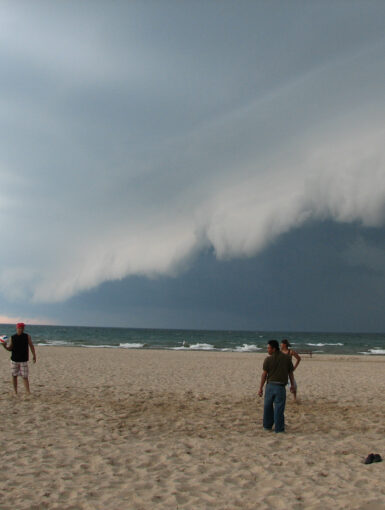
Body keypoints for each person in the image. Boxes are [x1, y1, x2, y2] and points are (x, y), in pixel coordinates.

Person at [258, 339, 294, 433]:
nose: (268, 350)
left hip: (270, 386)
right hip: (280, 387)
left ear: (274, 349)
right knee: (279, 408)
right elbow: (291, 373)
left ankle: (267, 426)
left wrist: (261, 388)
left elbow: (264, 375)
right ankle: (279, 429)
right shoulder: (287, 358)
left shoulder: (268, 359)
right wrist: (292, 385)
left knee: (268, 407)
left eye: (269, 348)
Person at [2, 322, 36, 395]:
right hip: (14, 359)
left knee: (25, 376)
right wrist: (4, 346)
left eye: (22, 328)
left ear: (23, 329)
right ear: (16, 328)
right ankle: (15, 392)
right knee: (14, 376)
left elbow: (31, 346)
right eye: (19, 328)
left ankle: (28, 392)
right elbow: (10, 348)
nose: (20, 329)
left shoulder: (27, 336)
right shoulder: (12, 337)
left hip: (23, 360)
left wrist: (34, 355)